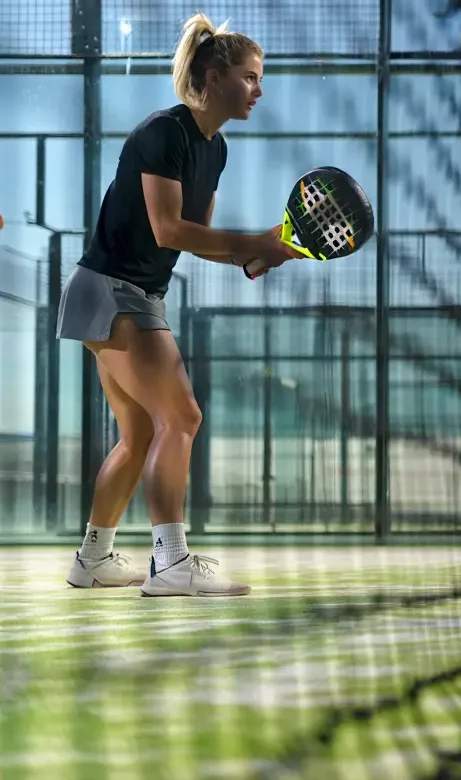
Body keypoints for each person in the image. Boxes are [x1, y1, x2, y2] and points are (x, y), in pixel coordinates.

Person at [59, 13, 300, 596]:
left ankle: (93, 559)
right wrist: (257, 243)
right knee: (183, 416)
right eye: (249, 77)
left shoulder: (215, 151)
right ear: (214, 78)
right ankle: (170, 563)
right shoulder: (162, 133)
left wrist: (257, 255)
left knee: (141, 433)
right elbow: (169, 229)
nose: (259, 89)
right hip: (110, 289)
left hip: (137, 295)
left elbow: (199, 235)